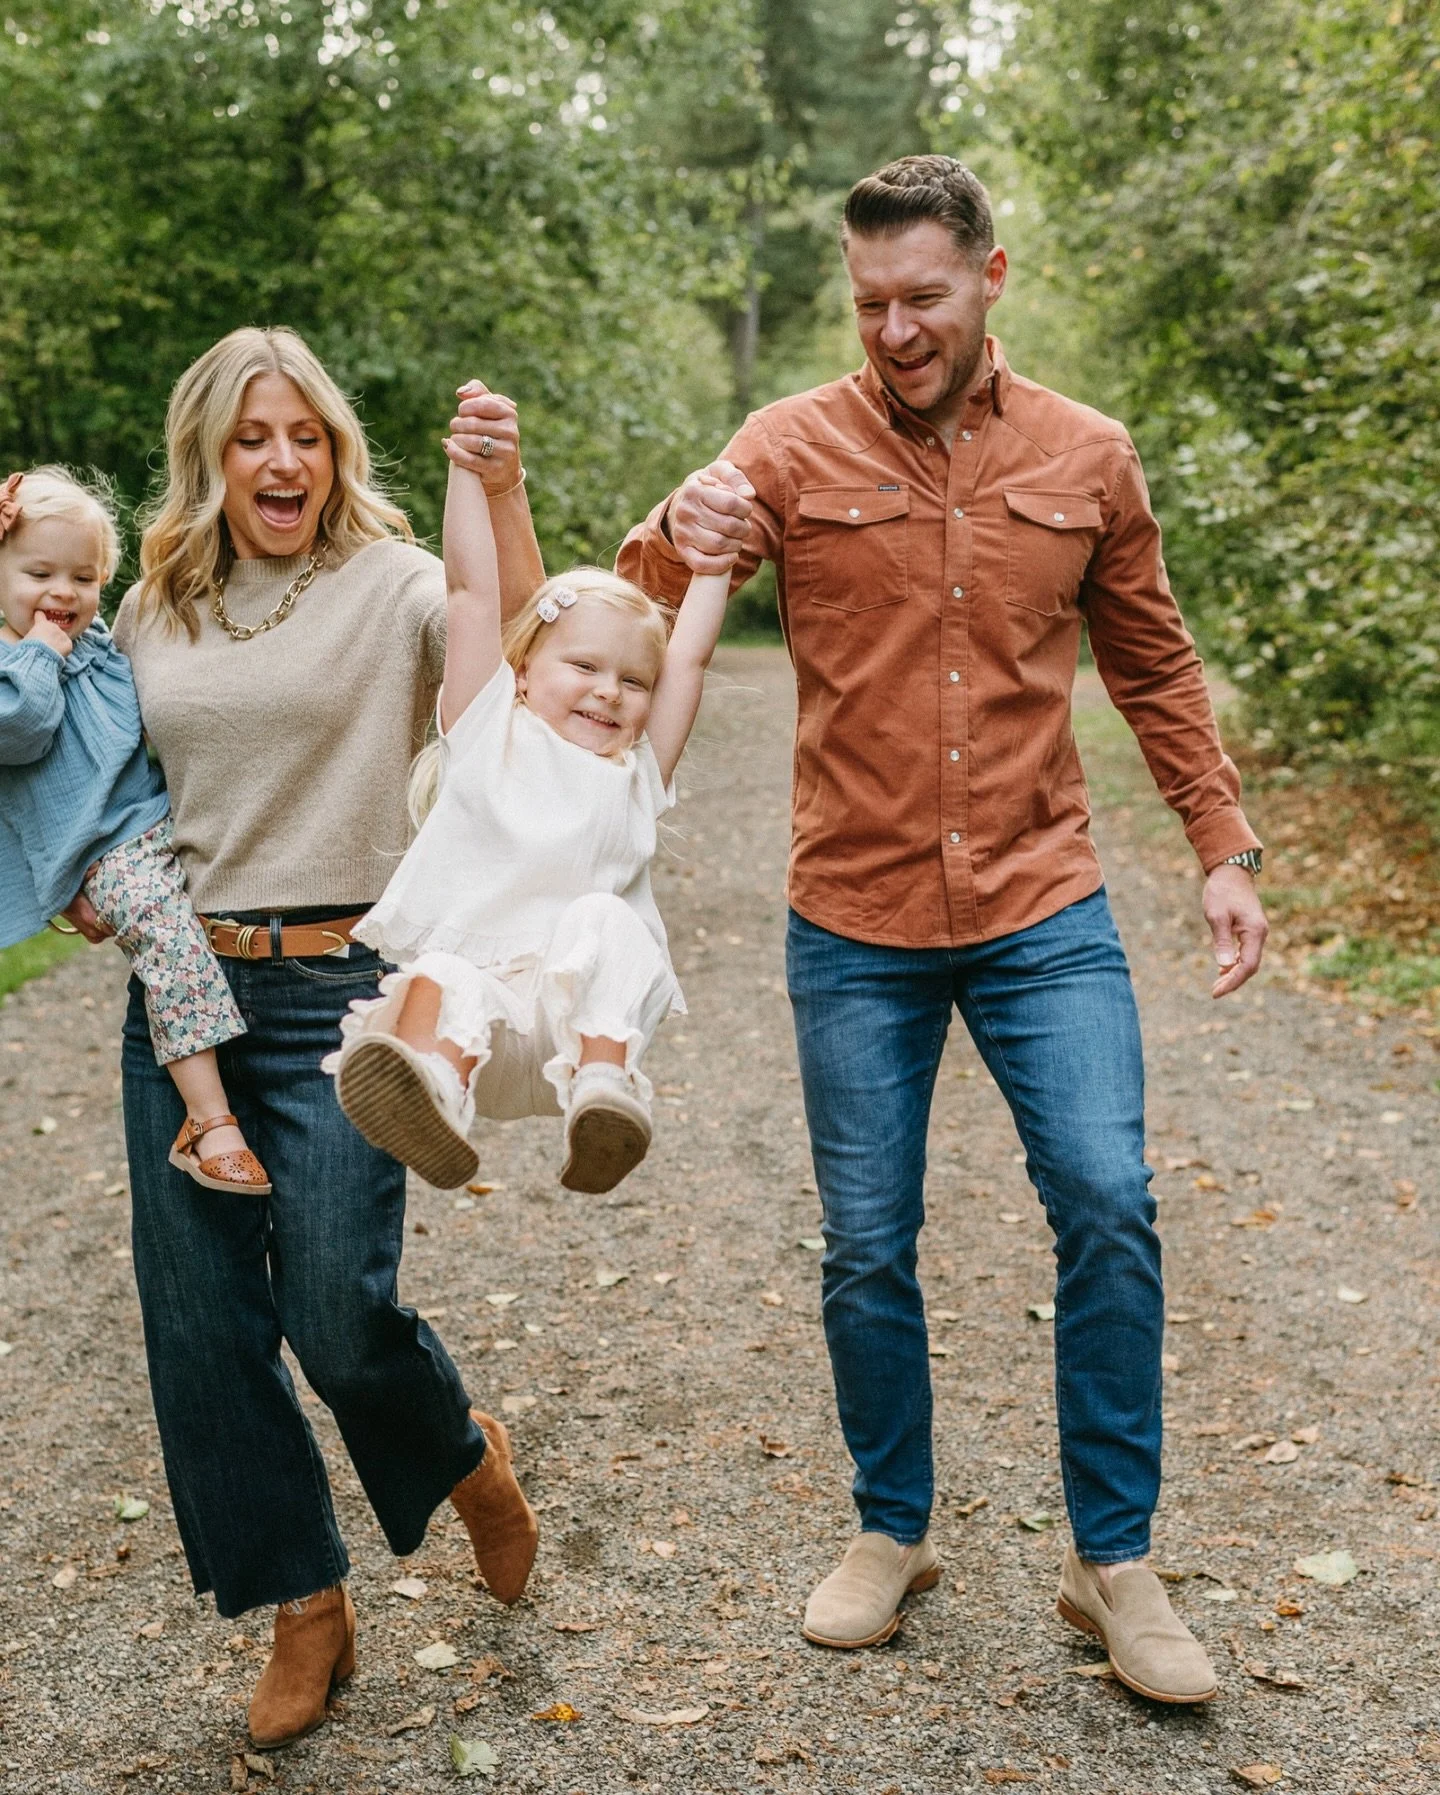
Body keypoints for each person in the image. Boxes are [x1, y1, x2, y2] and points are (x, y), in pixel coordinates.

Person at [618, 156, 1269, 1704]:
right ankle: (890, 1526)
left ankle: (1112, 1559)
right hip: (855, 910)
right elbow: (629, 617)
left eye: (923, 295)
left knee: (1107, 1199)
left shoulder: (1088, 455)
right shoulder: (785, 444)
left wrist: (1221, 843)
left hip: (1045, 901)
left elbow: (1154, 664)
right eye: (870, 303)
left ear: (991, 275)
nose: (896, 328)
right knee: (866, 1238)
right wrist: (667, 526)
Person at [59, 329, 547, 1750]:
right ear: (208, 454)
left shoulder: (394, 583)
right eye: (253, 437)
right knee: (203, 1326)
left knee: (337, 1309)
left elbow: (521, 641)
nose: (283, 462)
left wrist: (502, 490)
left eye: (307, 436)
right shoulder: (150, 603)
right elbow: (88, 763)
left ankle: (461, 1450)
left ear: (336, 449)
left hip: (348, 992)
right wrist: (83, 872)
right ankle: (305, 1603)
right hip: (188, 1006)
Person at [328, 432, 733, 1196]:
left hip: (576, 1029)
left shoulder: (637, 771)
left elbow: (688, 658)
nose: (609, 690)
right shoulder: (487, 728)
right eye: (583, 666)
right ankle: (434, 1091)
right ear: (521, 672)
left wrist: (715, 565)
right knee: (442, 972)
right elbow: (469, 593)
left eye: (632, 681)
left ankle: (606, 1091)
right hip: (484, 1032)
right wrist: (464, 469)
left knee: (604, 917)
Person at [0, 466, 269, 1194]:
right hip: (106, 850)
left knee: (210, 924)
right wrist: (39, 654)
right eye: (39, 574)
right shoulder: (16, 667)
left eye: (84, 577)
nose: (63, 593)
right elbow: (24, 728)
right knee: (167, 940)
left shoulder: (92, 643)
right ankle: (209, 1123)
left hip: (156, 820)